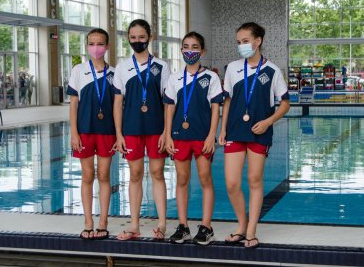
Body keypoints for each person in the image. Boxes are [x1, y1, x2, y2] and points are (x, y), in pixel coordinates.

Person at [219, 22, 290, 249]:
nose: (242, 46)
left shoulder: (272, 71)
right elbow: (227, 100)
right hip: (235, 131)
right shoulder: (232, 68)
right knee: (231, 183)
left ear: (258, 41)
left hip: (260, 132)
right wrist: (222, 129)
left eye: (245, 41)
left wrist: (268, 121)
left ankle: (251, 229)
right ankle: (241, 224)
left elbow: (285, 103)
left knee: (254, 180)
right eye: (239, 42)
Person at [164, 32, 224, 245]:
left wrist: (212, 136)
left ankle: (206, 227)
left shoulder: (211, 78)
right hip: (180, 136)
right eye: (186, 46)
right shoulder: (174, 78)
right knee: (181, 179)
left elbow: (216, 108)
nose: (190, 51)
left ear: (202, 51)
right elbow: (170, 107)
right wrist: (168, 134)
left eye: (195, 47)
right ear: (181, 50)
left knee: (205, 177)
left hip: (202, 136)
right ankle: (183, 226)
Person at [113, 19, 170, 241]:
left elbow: (168, 102)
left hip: (156, 128)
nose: (137, 41)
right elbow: (118, 103)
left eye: (142, 37)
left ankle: (162, 224)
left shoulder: (161, 66)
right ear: (128, 38)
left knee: (157, 173)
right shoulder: (122, 67)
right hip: (132, 128)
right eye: (133, 37)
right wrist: (119, 134)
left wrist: (166, 131)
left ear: (150, 38)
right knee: (134, 175)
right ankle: (134, 224)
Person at [67, 28, 116, 240]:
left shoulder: (114, 73)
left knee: (104, 176)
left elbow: (118, 106)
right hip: (85, 130)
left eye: (99, 44)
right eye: (91, 44)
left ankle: (103, 221)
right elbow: (73, 105)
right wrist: (73, 133)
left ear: (107, 47)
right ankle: (88, 221)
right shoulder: (79, 70)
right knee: (87, 176)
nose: (95, 48)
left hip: (107, 131)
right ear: (87, 46)